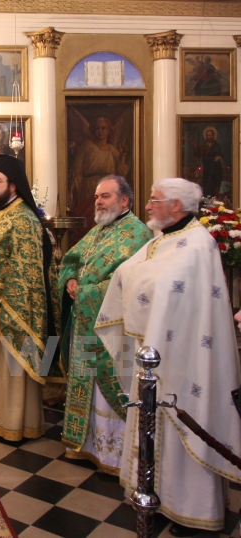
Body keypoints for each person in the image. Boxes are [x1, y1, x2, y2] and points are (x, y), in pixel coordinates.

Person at [95, 178, 241, 536]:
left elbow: (170, 292)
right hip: (152, 355)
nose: (148, 205)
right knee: (152, 426)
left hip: (185, 360)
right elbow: (131, 272)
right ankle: (155, 497)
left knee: (182, 430)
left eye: (154, 199)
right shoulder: (163, 238)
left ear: (177, 205)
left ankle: (193, 511)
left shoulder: (198, 245)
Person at [57, 175, 151, 473]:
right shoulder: (98, 229)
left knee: (108, 388)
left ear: (124, 200)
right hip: (85, 322)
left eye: (105, 196)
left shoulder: (138, 233)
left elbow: (129, 282)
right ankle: (86, 446)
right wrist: (71, 279)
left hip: (112, 329)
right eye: (97, 196)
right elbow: (72, 259)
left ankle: (115, 457)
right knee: (86, 383)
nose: (98, 201)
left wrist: (85, 293)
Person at [0, 154, 55, 441]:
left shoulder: (24, 218)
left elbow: (27, 272)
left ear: (13, 185)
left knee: (8, 368)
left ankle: (12, 422)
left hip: (7, 307)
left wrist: (11, 306)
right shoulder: (0, 213)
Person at [69, 115, 130, 243]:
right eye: (97, 128)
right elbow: (77, 170)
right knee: (89, 220)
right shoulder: (87, 146)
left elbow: (121, 173)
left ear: (109, 130)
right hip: (88, 188)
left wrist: (124, 154)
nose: (100, 131)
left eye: (103, 128)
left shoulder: (113, 151)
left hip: (108, 188)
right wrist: (75, 189)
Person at [192, 126, 224, 198]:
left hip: (215, 168)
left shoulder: (217, 145)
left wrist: (219, 157)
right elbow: (198, 154)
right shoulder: (203, 145)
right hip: (206, 168)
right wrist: (195, 145)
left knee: (214, 184)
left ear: (213, 136)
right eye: (208, 135)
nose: (210, 137)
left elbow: (221, 155)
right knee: (206, 183)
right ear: (206, 136)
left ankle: (214, 197)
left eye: (211, 135)